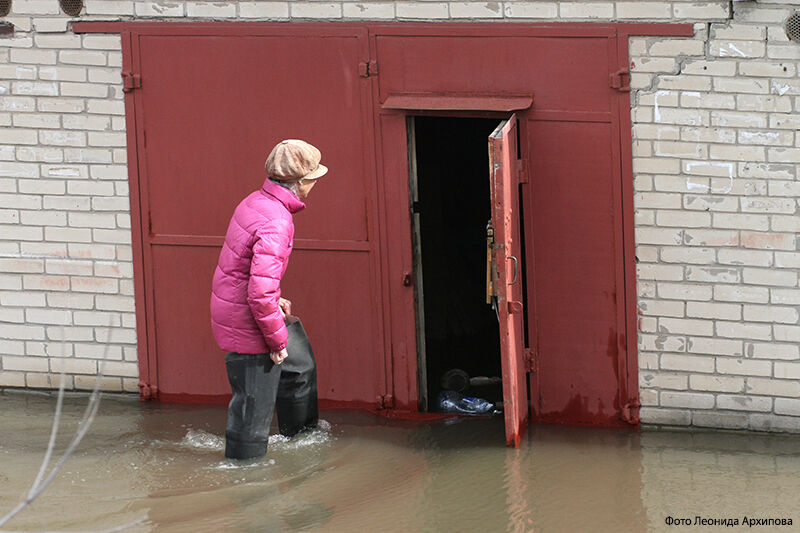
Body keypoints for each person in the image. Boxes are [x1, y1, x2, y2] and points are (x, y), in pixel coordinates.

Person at [210, 139, 327, 460]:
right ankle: (243, 474)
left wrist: (276, 300)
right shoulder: (276, 220)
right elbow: (258, 291)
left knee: (299, 364)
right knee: (252, 409)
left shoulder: (256, 201)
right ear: (301, 183)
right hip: (247, 317)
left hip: (248, 305)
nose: (315, 185)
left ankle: (301, 442)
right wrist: (276, 343)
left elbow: (250, 273)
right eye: (314, 179)